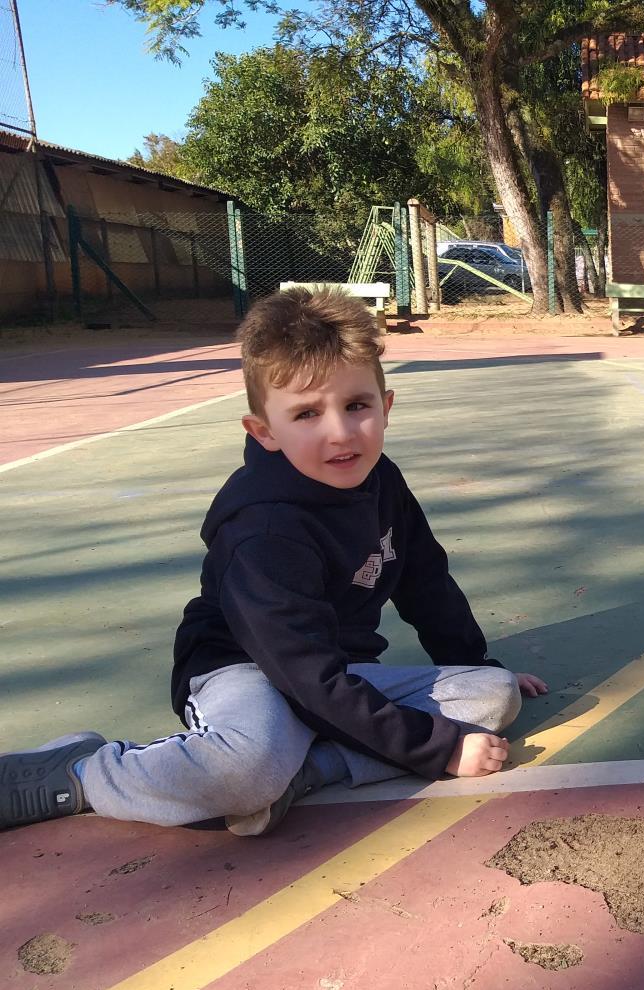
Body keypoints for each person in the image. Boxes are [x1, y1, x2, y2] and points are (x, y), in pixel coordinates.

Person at [0, 287, 545, 835]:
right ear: (264, 432)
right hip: (245, 670)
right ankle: (83, 771)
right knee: (248, 768)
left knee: (489, 698)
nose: (340, 432)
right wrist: (438, 751)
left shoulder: (384, 481)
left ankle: (309, 770)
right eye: (307, 413)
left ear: (387, 406)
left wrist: (475, 660)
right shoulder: (263, 528)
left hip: (336, 670)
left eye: (357, 405)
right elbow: (302, 674)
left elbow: (426, 582)